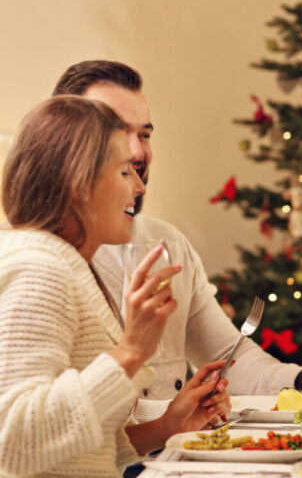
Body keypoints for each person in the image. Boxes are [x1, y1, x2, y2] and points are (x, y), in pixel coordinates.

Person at [53, 60, 302, 404]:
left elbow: (227, 356)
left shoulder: (167, 245)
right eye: (117, 133)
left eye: (144, 134)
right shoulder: (36, 261)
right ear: (68, 142)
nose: (137, 152)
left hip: (171, 454)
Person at [0, 96, 230, 477]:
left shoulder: (67, 265)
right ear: (79, 183)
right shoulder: (40, 272)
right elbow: (15, 442)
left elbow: (77, 451)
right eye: (125, 172)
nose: (138, 186)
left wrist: (166, 429)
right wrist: (130, 353)